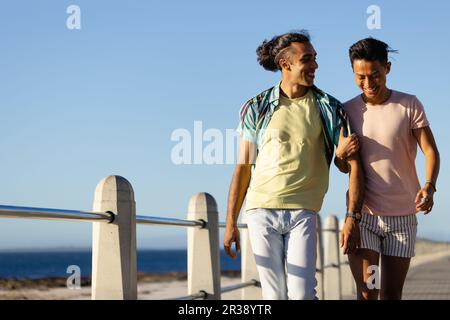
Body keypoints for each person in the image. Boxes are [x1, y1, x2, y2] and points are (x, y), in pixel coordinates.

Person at [223, 30, 364, 300]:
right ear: (285, 65)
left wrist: (342, 158)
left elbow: (349, 167)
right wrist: (231, 223)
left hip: (303, 211)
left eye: (315, 58)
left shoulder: (329, 108)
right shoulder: (257, 107)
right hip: (260, 210)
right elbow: (242, 168)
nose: (315, 65)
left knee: (302, 294)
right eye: (307, 59)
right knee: (273, 296)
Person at [341, 37, 440, 300]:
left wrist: (429, 186)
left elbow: (430, 151)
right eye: (360, 76)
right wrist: (340, 154)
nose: (368, 83)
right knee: (368, 291)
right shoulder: (347, 111)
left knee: (392, 294)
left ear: (387, 68)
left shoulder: (409, 105)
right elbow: (343, 166)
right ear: (352, 72)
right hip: (365, 217)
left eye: (375, 75)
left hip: (403, 218)